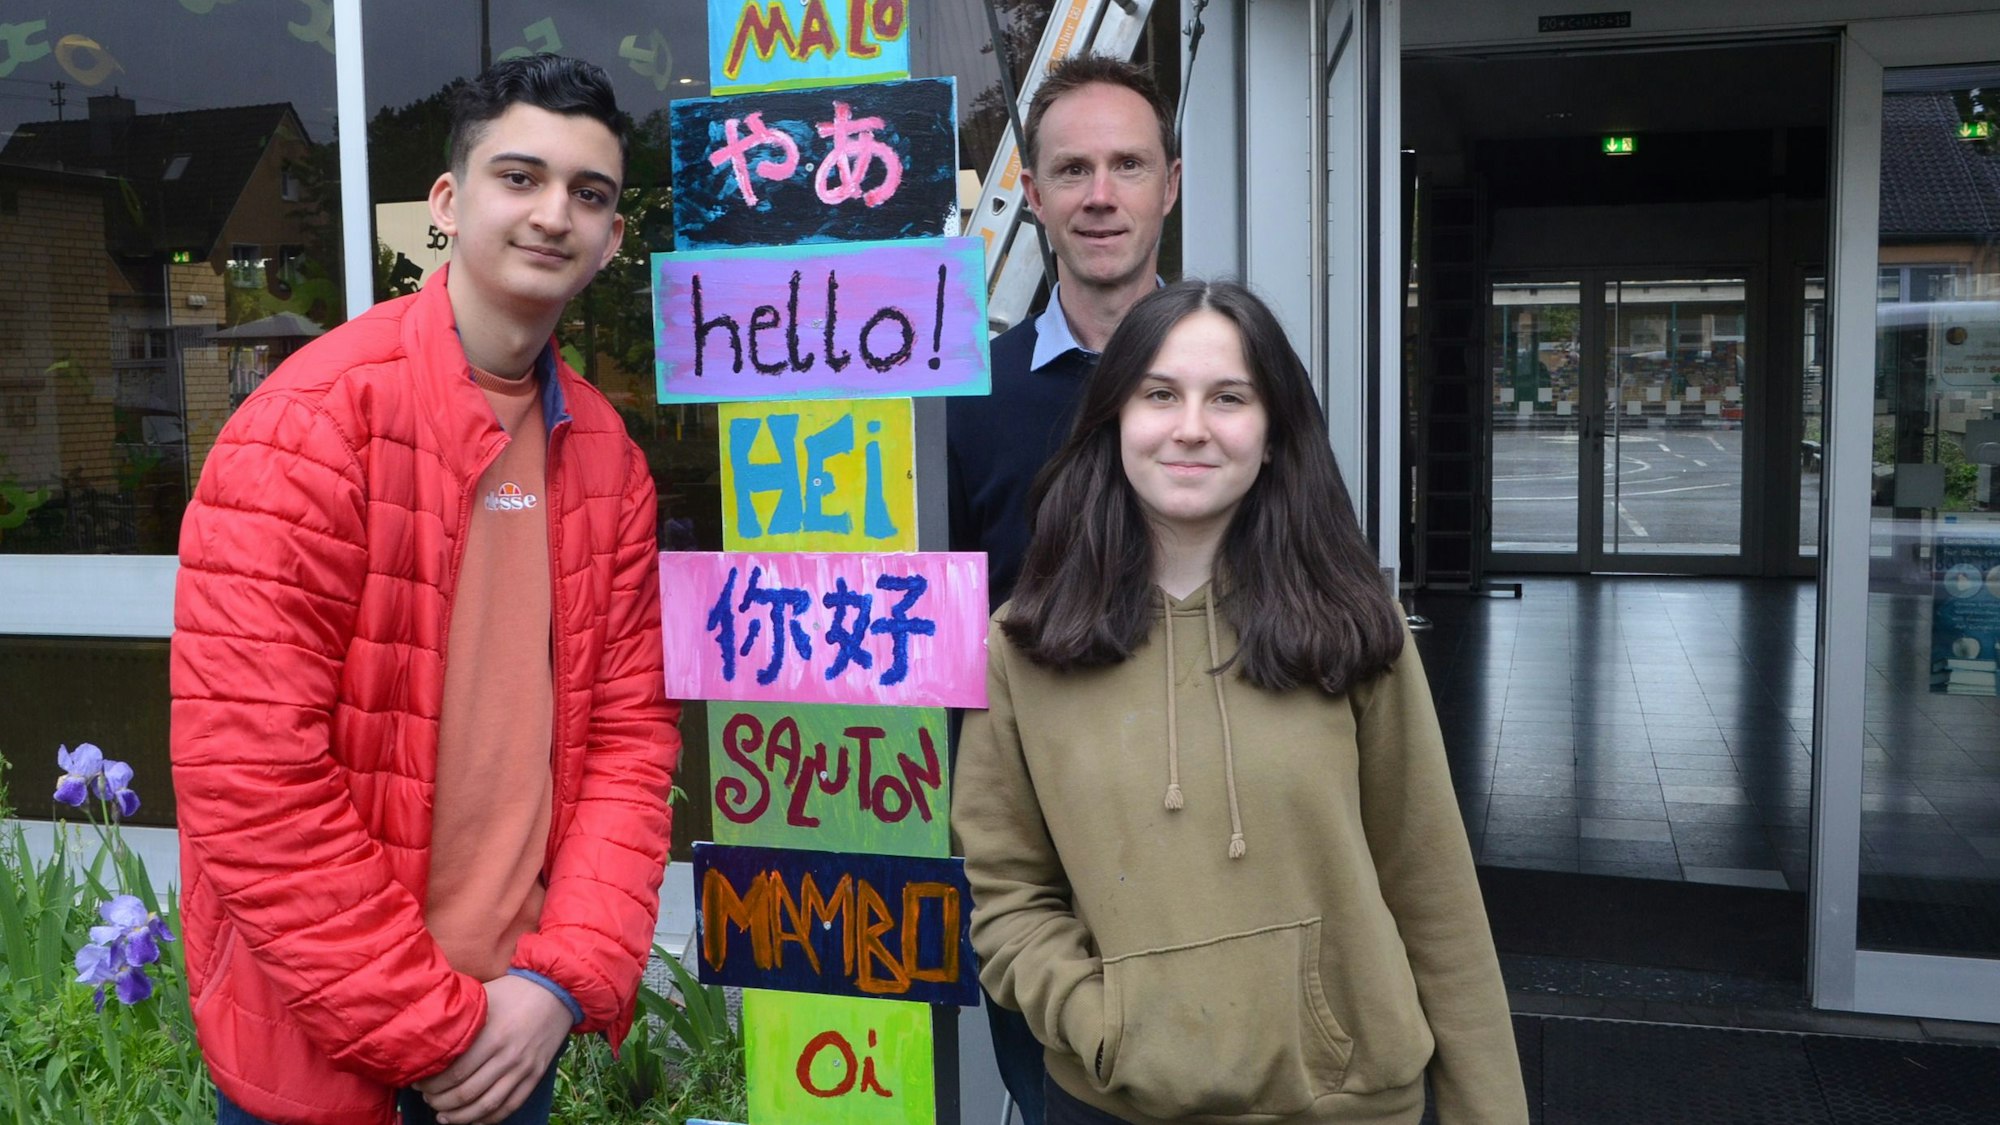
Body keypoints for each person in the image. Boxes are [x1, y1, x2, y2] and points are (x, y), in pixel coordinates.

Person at [170, 55, 680, 1125]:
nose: (553, 214)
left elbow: (629, 742)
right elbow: (249, 777)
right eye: (520, 177)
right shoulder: (309, 425)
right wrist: (434, 1030)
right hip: (323, 1049)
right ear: (447, 203)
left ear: (613, 238)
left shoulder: (609, 461)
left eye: (588, 195)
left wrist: (555, 985)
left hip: (512, 1031)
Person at [953, 280, 1528, 1125]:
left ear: (1272, 434)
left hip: (1346, 1106)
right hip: (1112, 1105)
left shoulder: (1352, 629)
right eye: (1159, 394)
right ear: (1112, 421)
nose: (1191, 427)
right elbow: (1005, 894)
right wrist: (1097, 1021)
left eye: (1229, 397)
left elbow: (1434, 893)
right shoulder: (1027, 644)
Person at [947, 54, 1181, 1125]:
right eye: (1072, 169)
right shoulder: (970, 399)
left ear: (1168, 185)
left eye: (1126, 165)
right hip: (1035, 874)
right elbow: (942, 645)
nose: (1100, 195)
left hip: (1213, 848)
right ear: (1029, 196)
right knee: (1049, 1102)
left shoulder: (1238, 382)